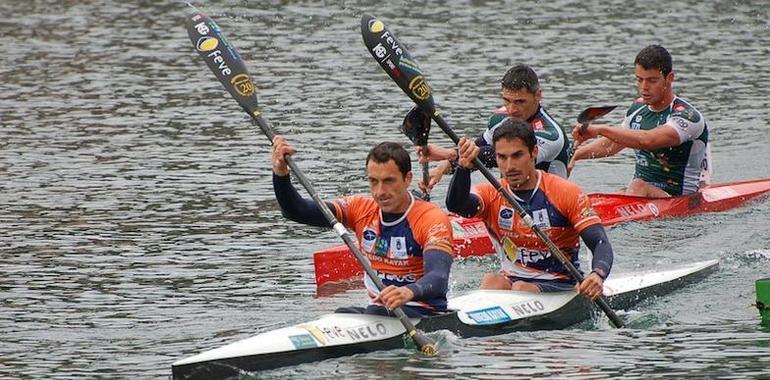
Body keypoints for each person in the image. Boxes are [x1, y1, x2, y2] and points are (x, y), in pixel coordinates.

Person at [272, 137, 455, 317]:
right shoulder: (361, 209)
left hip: (423, 312)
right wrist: (281, 173)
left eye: (389, 181)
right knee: (341, 314)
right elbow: (296, 211)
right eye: (373, 181)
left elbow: (439, 277)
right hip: (379, 311)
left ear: (408, 179)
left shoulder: (431, 218)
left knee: (373, 310)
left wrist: (409, 291)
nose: (380, 192)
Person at [445, 119, 612, 299]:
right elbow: (457, 205)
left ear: (534, 153)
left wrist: (597, 274)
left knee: (520, 288)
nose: (509, 167)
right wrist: (463, 168)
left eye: (517, 156)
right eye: (502, 157)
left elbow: (599, 242)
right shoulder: (491, 193)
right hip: (513, 279)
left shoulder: (565, 192)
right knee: (491, 281)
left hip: (559, 283)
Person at [570, 45, 711, 197]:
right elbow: (611, 144)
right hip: (640, 194)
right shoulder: (637, 109)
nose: (644, 87)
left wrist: (599, 130)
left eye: (652, 80)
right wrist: (575, 155)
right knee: (592, 199)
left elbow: (647, 140)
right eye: (640, 80)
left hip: (679, 198)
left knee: (637, 185)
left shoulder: (686, 116)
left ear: (669, 78)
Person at [418, 64, 572, 193]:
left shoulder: (551, 134)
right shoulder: (500, 119)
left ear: (538, 95)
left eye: (520, 102)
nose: (511, 110)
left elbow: (496, 156)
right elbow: (480, 147)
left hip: (552, 204)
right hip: (512, 201)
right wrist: (442, 168)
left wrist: (451, 154)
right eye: (507, 100)